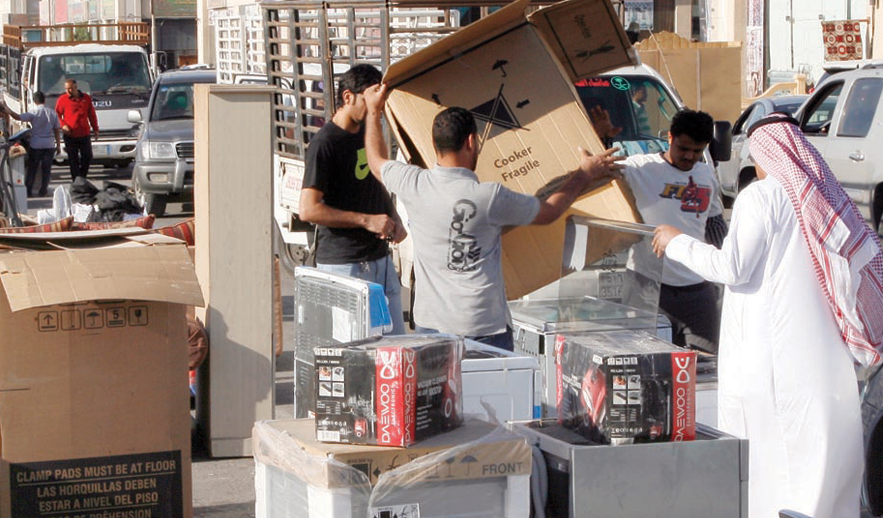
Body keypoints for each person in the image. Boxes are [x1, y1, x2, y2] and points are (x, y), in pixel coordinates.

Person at [651, 114, 883, 518]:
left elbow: (731, 268)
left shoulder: (764, 196)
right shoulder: (820, 198)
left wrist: (676, 241)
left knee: (774, 472)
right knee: (820, 471)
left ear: (762, 156)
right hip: (822, 365)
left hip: (774, 367)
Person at [363, 86, 623, 351]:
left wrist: (374, 111)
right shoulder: (489, 197)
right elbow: (550, 212)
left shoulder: (412, 183)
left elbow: (375, 161)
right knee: (489, 393)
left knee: (441, 394)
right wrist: (584, 173)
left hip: (431, 326)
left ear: (435, 145)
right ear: (472, 142)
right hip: (482, 329)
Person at [298, 64, 407, 336]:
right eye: (369, 97)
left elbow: (377, 178)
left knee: (393, 349)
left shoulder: (366, 133)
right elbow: (308, 209)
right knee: (354, 354)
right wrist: (366, 220)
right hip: (345, 264)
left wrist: (393, 215)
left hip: (379, 260)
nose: (375, 104)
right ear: (348, 97)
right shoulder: (325, 144)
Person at [618, 108, 727, 354]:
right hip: (647, 287)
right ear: (670, 138)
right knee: (646, 366)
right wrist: (602, 138)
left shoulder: (706, 173)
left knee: (702, 367)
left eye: (697, 151)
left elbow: (715, 223)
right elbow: (600, 172)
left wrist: (727, 260)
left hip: (697, 291)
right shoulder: (639, 168)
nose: (689, 156)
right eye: (683, 148)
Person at [0, 91, 62, 197]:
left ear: (34, 100)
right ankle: (43, 190)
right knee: (46, 169)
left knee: (33, 168)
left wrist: (7, 109)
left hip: (36, 144)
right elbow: (56, 130)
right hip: (49, 145)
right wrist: (58, 145)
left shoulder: (33, 112)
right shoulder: (52, 113)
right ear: (44, 100)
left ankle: (28, 190)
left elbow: (17, 117)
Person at [55, 78, 99, 181]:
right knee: (73, 159)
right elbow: (57, 115)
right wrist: (63, 125)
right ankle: (76, 180)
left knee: (88, 156)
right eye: (66, 89)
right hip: (70, 134)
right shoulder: (62, 99)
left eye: (70, 88)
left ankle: (82, 177)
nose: (68, 91)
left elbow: (91, 114)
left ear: (76, 87)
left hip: (84, 133)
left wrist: (95, 129)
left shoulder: (86, 98)